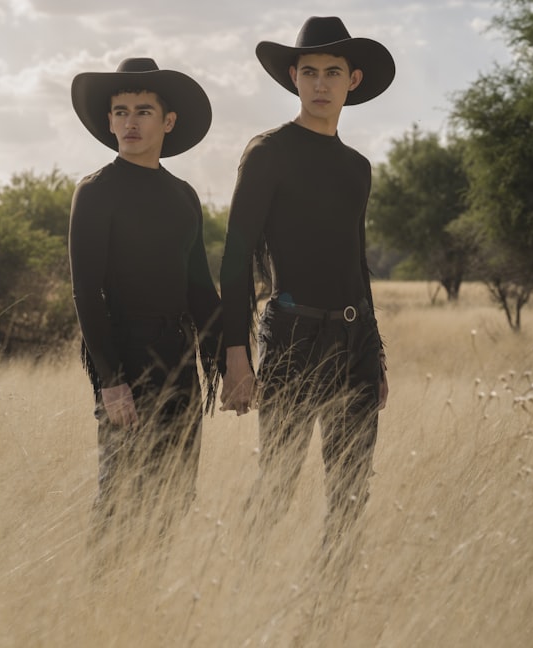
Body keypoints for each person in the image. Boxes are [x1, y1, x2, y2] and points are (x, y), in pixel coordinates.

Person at [218, 16, 394, 550]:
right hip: (292, 335)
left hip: (355, 341)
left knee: (350, 493)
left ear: (352, 81)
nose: (321, 84)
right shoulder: (268, 152)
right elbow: (235, 258)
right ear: (294, 77)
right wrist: (236, 354)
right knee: (277, 484)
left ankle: (329, 616)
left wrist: (376, 354)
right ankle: (239, 597)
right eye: (310, 72)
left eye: (333, 73)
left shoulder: (357, 167)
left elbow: (355, 263)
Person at [68, 58, 220, 549]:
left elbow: (200, 289)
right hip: (125, 360)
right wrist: (111, 382)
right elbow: (86, 292)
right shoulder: (95, 192)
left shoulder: (183, 197)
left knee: (174, 499)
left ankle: (144, 611)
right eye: (120, 112)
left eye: (143, 111)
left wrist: (228, 359)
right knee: (120, 500)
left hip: (180, 358)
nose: (130, 122)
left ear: (168, 121)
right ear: (109, 121)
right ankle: (98, 610)